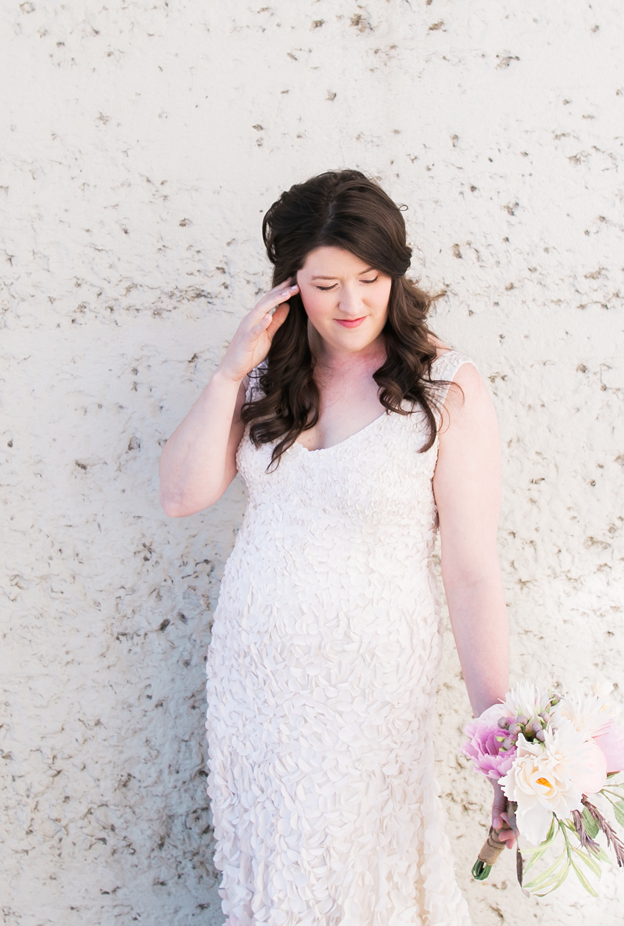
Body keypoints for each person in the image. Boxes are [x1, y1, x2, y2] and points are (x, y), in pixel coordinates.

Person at [159, 169, 515, 925]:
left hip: (371, 686)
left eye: (370, 278)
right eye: (325, 285)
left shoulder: (445, 386)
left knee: (363, 881)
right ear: (290, 284)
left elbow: (472, 572)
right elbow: (181, 495)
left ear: (396, 274)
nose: (351, 304)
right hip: (257, 687)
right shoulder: (264, 376)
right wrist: (229, 369)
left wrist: (500, 739)